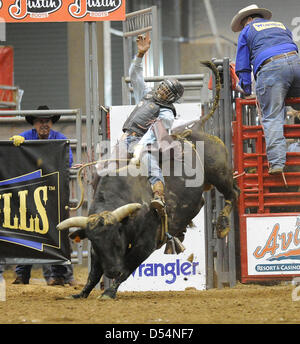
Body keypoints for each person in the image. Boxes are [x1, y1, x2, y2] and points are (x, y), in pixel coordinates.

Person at [9, 105, 76, 286]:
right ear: (34, 123)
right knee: (27, 230)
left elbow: (68, 160)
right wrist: (13, 143)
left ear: (52, 123)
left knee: (57, 231)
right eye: (40, 121)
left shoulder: (60, 139)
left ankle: (59, 274)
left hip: (52, 193)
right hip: (29, 193)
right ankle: (22, 274)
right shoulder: (26, 137)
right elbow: (9, 153)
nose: (44, 124)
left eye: (47, 121)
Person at [231, 4, 300, 175]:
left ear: (248, 19)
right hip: (296, 62)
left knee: (272, 116)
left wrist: (246, 88)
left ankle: (277, 163)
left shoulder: (247, 31)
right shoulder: (280, 25)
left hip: (271, 69)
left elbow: (242, 63)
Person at [121, 33, 184, 213]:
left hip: (144, 143)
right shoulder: (147, 94)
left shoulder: (166, 112)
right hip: (126, 139)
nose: (162, 92)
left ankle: (158, 193)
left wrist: (140, 146)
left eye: (167, 92)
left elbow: (156, 132)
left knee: (148, 160)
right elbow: (135, 75)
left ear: (171, 98)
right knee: (106, 166)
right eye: (163, 88)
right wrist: (140, 55)